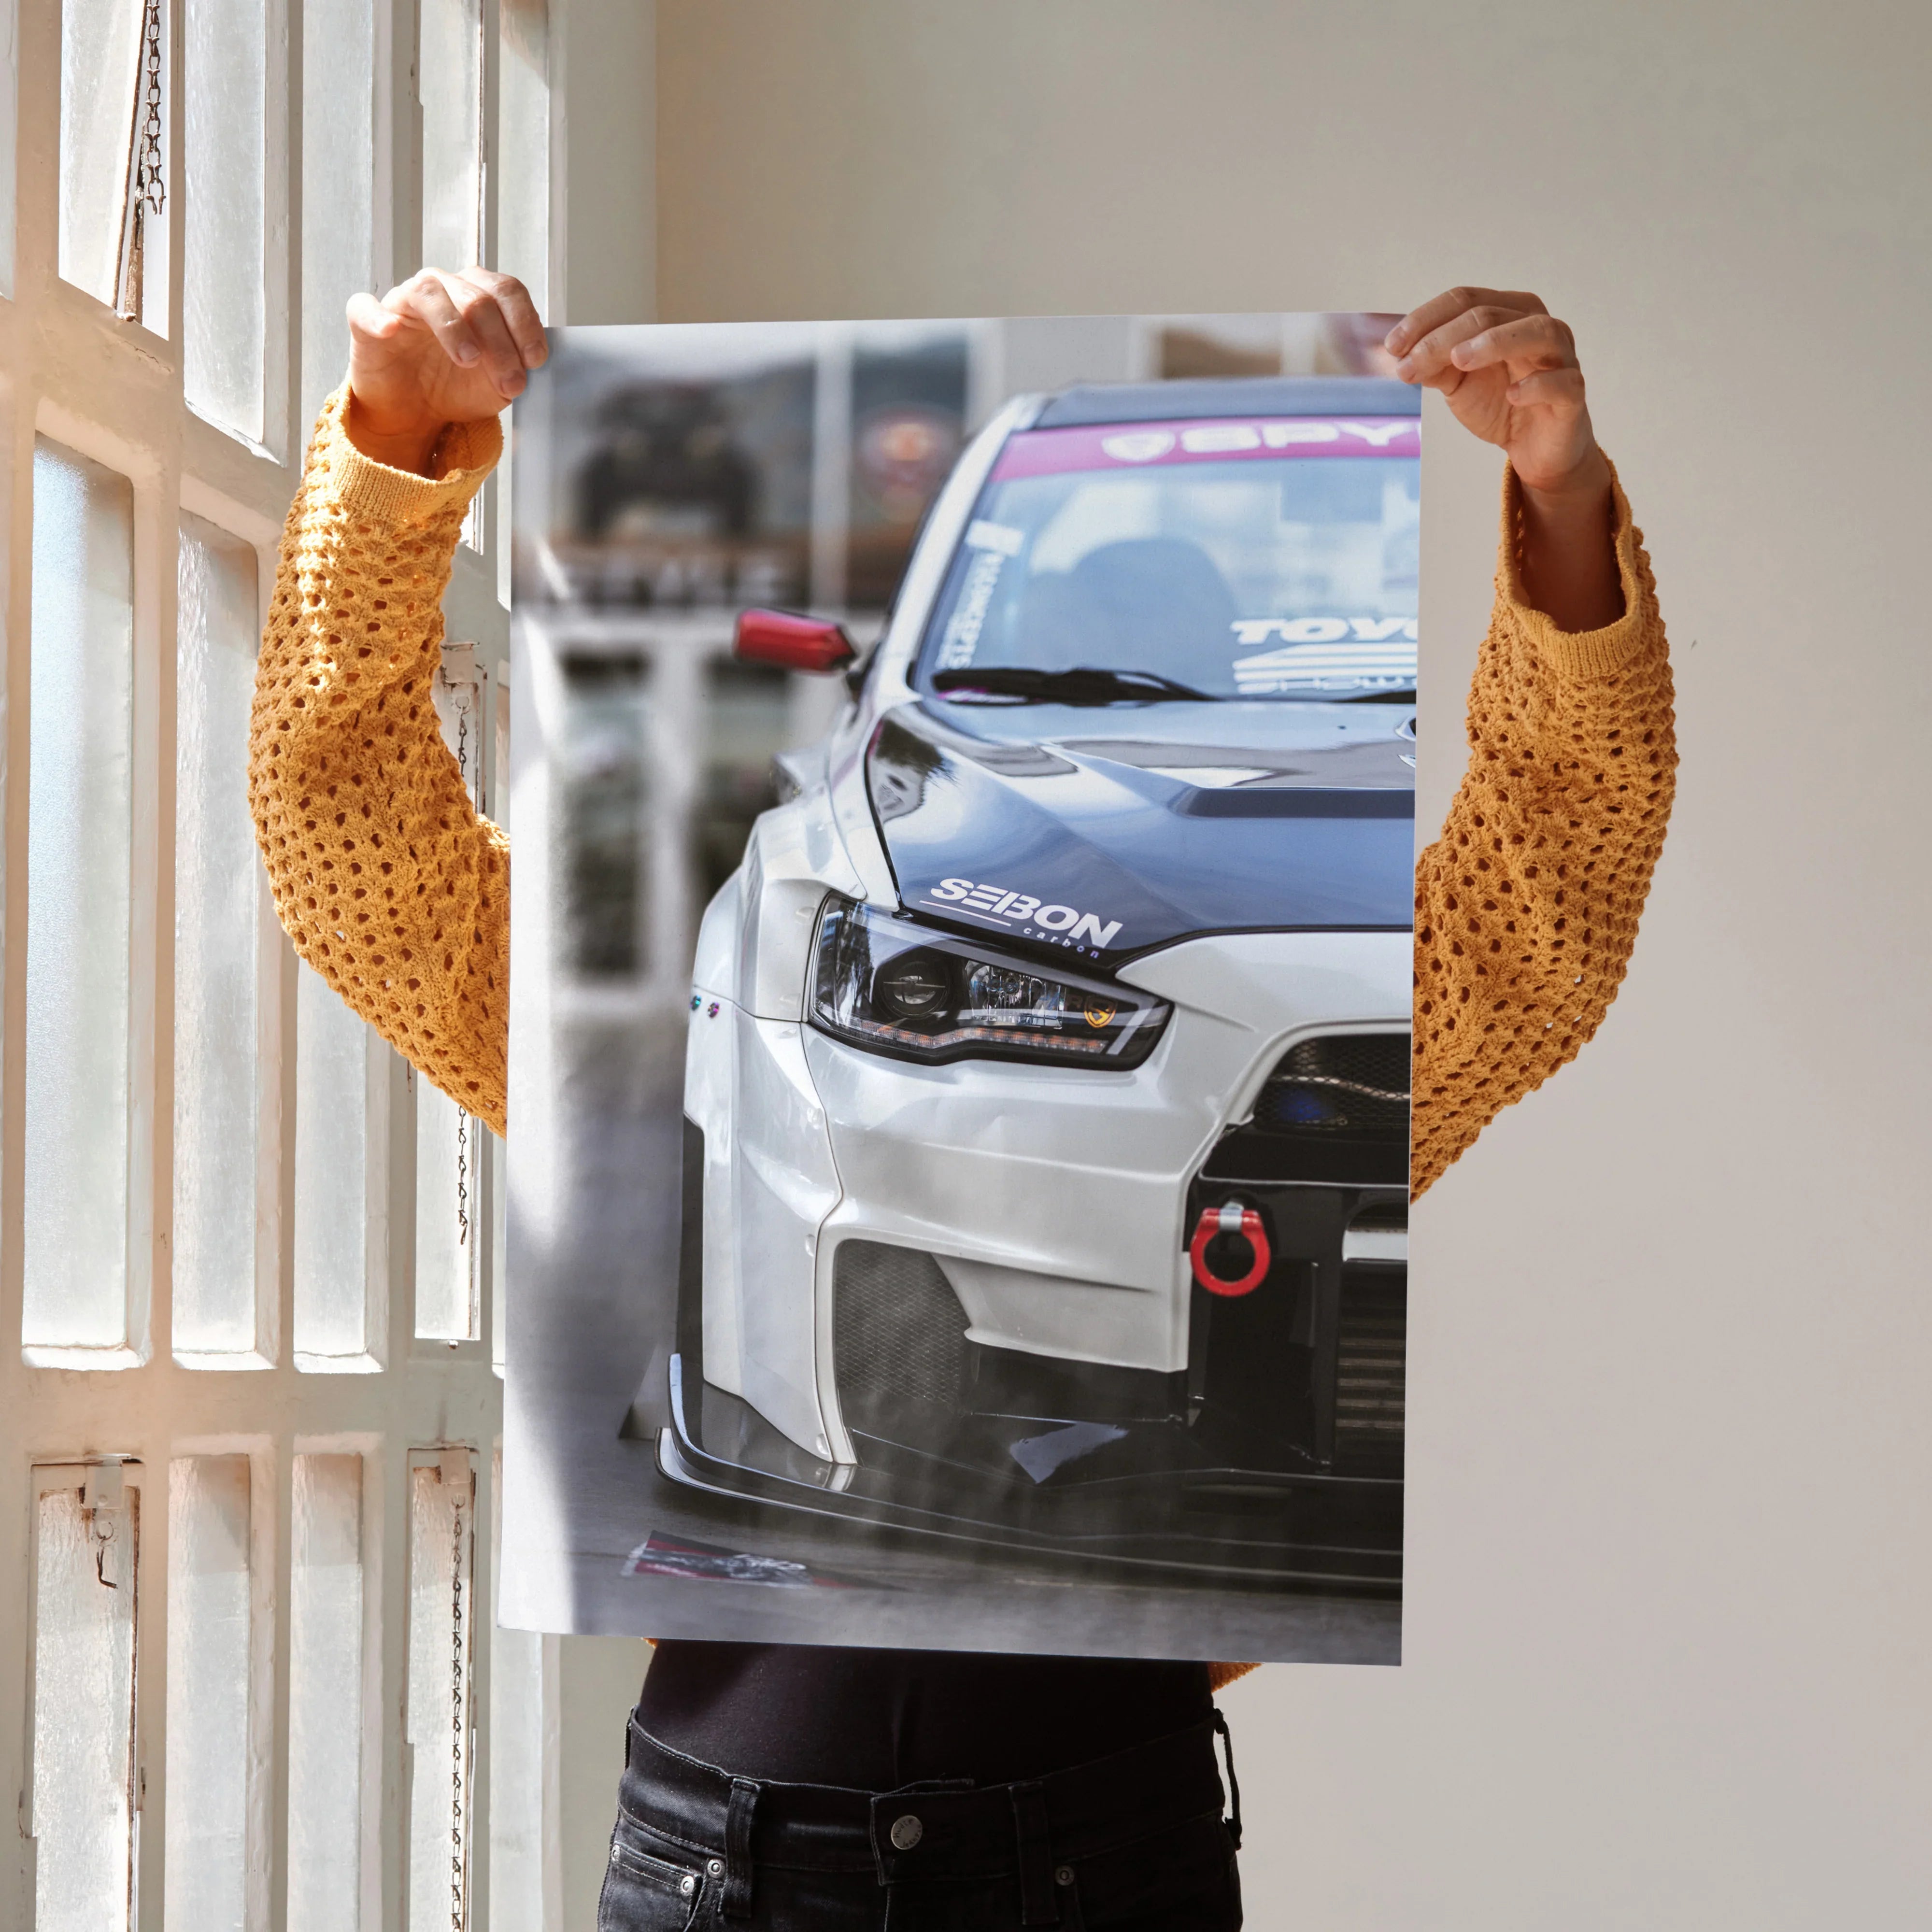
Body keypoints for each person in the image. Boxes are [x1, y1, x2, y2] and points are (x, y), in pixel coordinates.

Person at [250, 274, 1675, 1930]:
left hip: (1108, 1849)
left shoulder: (1320, 946)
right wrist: (394, 445)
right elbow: (354, 852)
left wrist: (1560, 495)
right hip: (729, 1862)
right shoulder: (809, 888)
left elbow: (1548, 900)